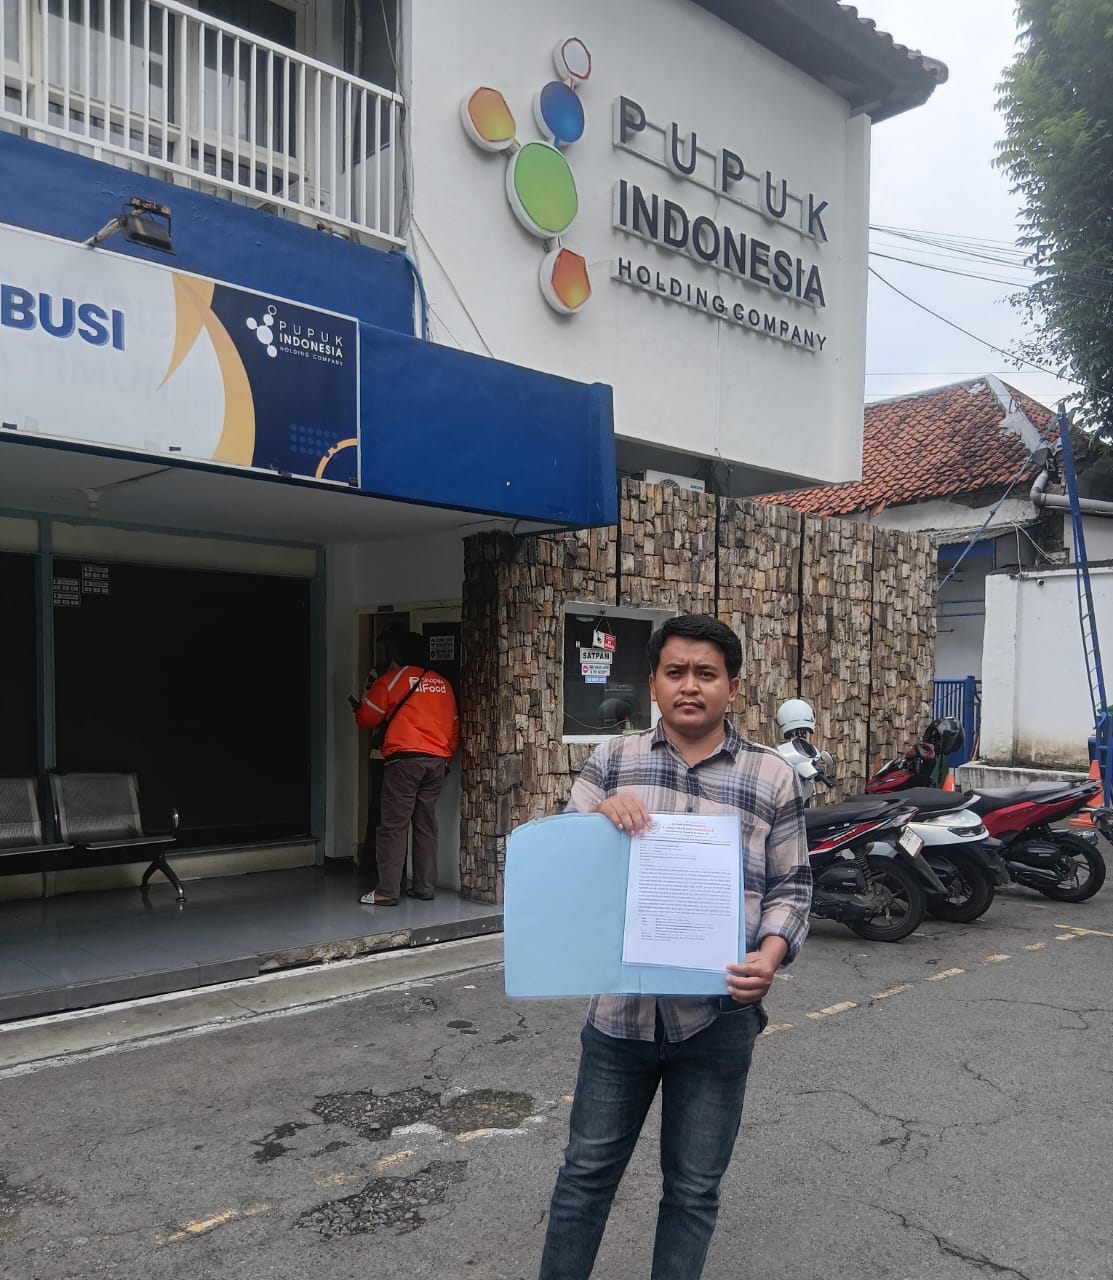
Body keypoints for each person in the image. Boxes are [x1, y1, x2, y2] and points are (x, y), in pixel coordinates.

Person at [537, 613, 811, 1280]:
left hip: (718, 1020)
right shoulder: (614, 761)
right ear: (653, 684)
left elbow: (792, 885)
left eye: (706, 674)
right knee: (584, 1178)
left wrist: (770, 955)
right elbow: (565, 864)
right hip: (620, 1018)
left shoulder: (772, 774)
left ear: (732, 688)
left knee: (692, 1190)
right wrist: (597, 821)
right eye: (675, 672)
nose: (690, 686)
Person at [353, 631, 459, 905]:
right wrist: (445, 758)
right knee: (426, 825)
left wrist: (358, 710)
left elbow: (367, 718)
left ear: (399, 654)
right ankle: (424, 887)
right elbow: (454, 728)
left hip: (404, 761)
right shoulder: (443, 684)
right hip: (436, 762)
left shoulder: (392, 679)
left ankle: (387, 891)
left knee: (393, 826)